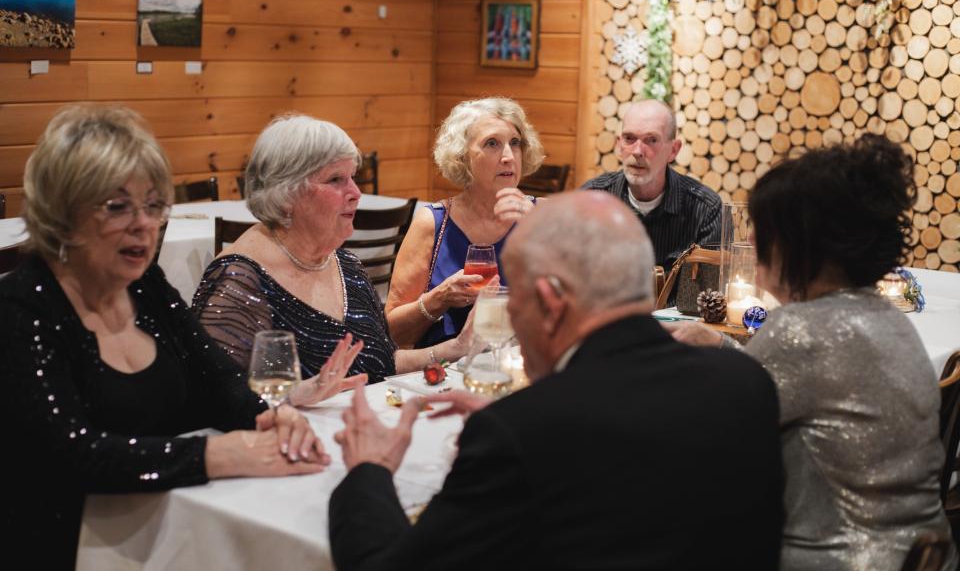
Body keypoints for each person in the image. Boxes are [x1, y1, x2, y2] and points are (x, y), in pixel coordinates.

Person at [328, 192, 784, 570]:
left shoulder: (520, 434)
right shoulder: (746, 382)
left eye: (516, 302)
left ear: (550, 302)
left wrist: (369, 470)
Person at [0, 105, 329, 569]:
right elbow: (69, 453)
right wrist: (213, 453)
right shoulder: (20, 309)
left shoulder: (145, 286)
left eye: (153, 205)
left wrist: (265, 419)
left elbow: (215, 377)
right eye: (117, 207)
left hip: (162, 532)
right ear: (61, 212)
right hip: (61, 546)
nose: (144, 224)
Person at [669, 134, 957, 571]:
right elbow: (796, 384)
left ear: (802, 243)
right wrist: (723, 345)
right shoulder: (888, 318)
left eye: (763, 225)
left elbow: (719, 429)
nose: (749, 236)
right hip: (921, 555)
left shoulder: (800, 330)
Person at [193, 115, 472, 385]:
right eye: (335, 180)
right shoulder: (240, 282)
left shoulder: (346, 265)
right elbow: (217, 401)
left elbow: (382, 363)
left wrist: (456, 348)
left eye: (353, 177)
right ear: (286, 193)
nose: (355, 192)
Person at [385, 97, 545, 349]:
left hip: (524, 369)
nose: (508, 156)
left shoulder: (543, 215)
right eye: (492, 143)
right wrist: (439, 299)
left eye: (515, 143)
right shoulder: (433, 223)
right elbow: (392, 333)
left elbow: (586, 305)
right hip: (443, 374)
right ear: (462, 157)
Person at [582, 99, 722, 272]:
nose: (637, 151)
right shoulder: (591, 199)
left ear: (673, 150)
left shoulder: (705, 210)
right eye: (629, 138)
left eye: (651, 140)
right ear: (619, 145)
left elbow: (705, 294)